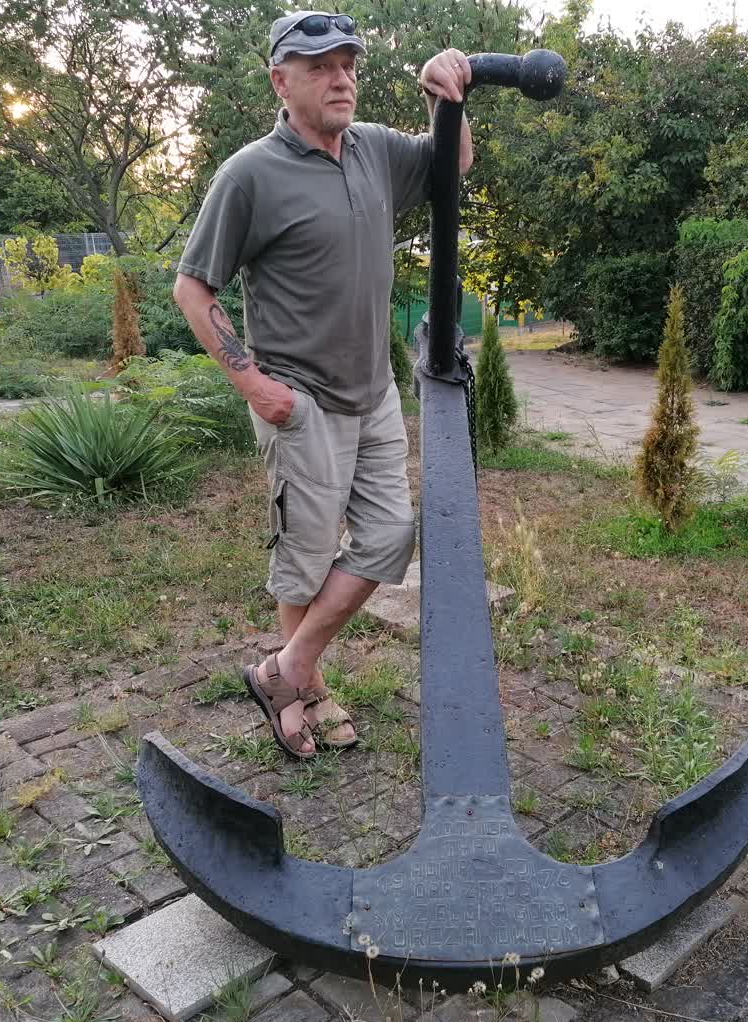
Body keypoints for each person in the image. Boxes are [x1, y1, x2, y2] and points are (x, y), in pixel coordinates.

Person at [172, 11, 474, 758]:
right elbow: (193, 288)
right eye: (320, 68)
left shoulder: (374, 148)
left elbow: (453, 165)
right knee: (305, 558)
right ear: (282, 82)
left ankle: (286, 668)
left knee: (389, 536)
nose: (341, 80)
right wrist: (255, 387)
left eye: (348, 66)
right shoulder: (250, 174)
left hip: (374, 393)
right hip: (299, 400)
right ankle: (307, 694)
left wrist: (443, 95)